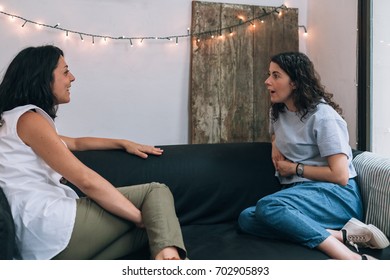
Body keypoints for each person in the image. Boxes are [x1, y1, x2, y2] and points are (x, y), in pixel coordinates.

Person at [0, 45, 187, 260]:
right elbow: (85, 180)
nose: (72, 77)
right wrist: (138, 216)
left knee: (156, 234)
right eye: (65, 71)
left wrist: (122, 142)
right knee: (156, 192)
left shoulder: (12, 120)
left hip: (38, 241)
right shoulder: (29, 119)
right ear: (41, 77)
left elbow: (76, 143)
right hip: (49, 226)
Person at [238, 51, 389, 260]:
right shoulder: (278, 111)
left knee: (268, 206)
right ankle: (343, 235)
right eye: (269, 74)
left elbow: (340, 175)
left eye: (276, 75)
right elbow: (278, 134)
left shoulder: (323, 117)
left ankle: (353, 259)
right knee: (246, 218)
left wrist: (295, 169)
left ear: (295, 83)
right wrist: (274, 144)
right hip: (301, 194)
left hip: (335, 195)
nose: (267, 81)